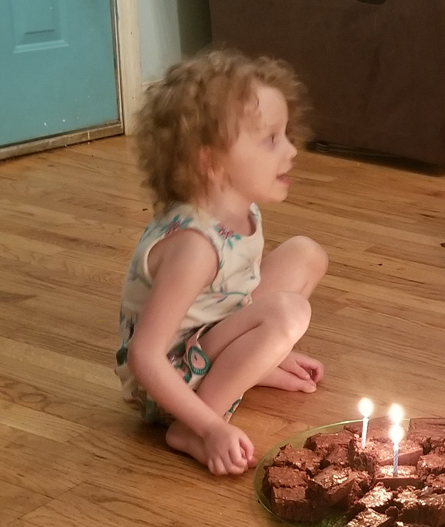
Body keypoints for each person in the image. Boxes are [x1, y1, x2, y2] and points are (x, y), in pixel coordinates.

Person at [116, 50, 329, 476]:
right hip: (170, 380)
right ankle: (192, 428)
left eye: (286, 134)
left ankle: (252, 361)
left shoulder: (239, 208)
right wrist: (210, 427)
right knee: (289, 312)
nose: (290, 150)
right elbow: (145, 356)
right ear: (210, 162)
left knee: (306, 254)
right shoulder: (194, 247)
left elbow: (237, 292)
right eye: (270, 139)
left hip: (209, 333)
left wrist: (267, 347)